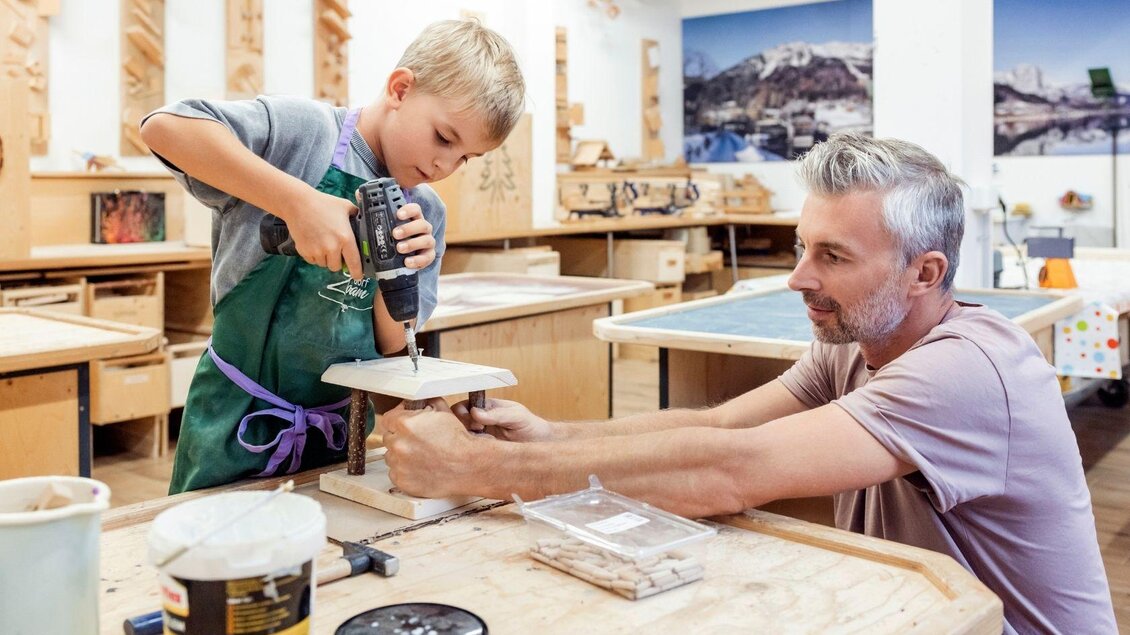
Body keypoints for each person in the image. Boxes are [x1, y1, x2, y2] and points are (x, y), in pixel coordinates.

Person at [378, 134, 1115, 633]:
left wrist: (480, 468)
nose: (799, 277)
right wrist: (553, 435)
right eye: (802, 247)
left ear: (925, 273)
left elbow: (736, 470)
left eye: (832, 255)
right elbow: (726, 425)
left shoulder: (968, 368)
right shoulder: (858, 343)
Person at [140, 19, 525, 493]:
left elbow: (390, 345)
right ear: (401, 89)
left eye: (467, 157)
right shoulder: (304, 133)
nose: (446, 165)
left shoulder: (425, 211)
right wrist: (297, 203)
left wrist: (403, 270)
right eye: (444, 138)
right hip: (235, 421)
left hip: (343, 434)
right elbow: (163, 128)